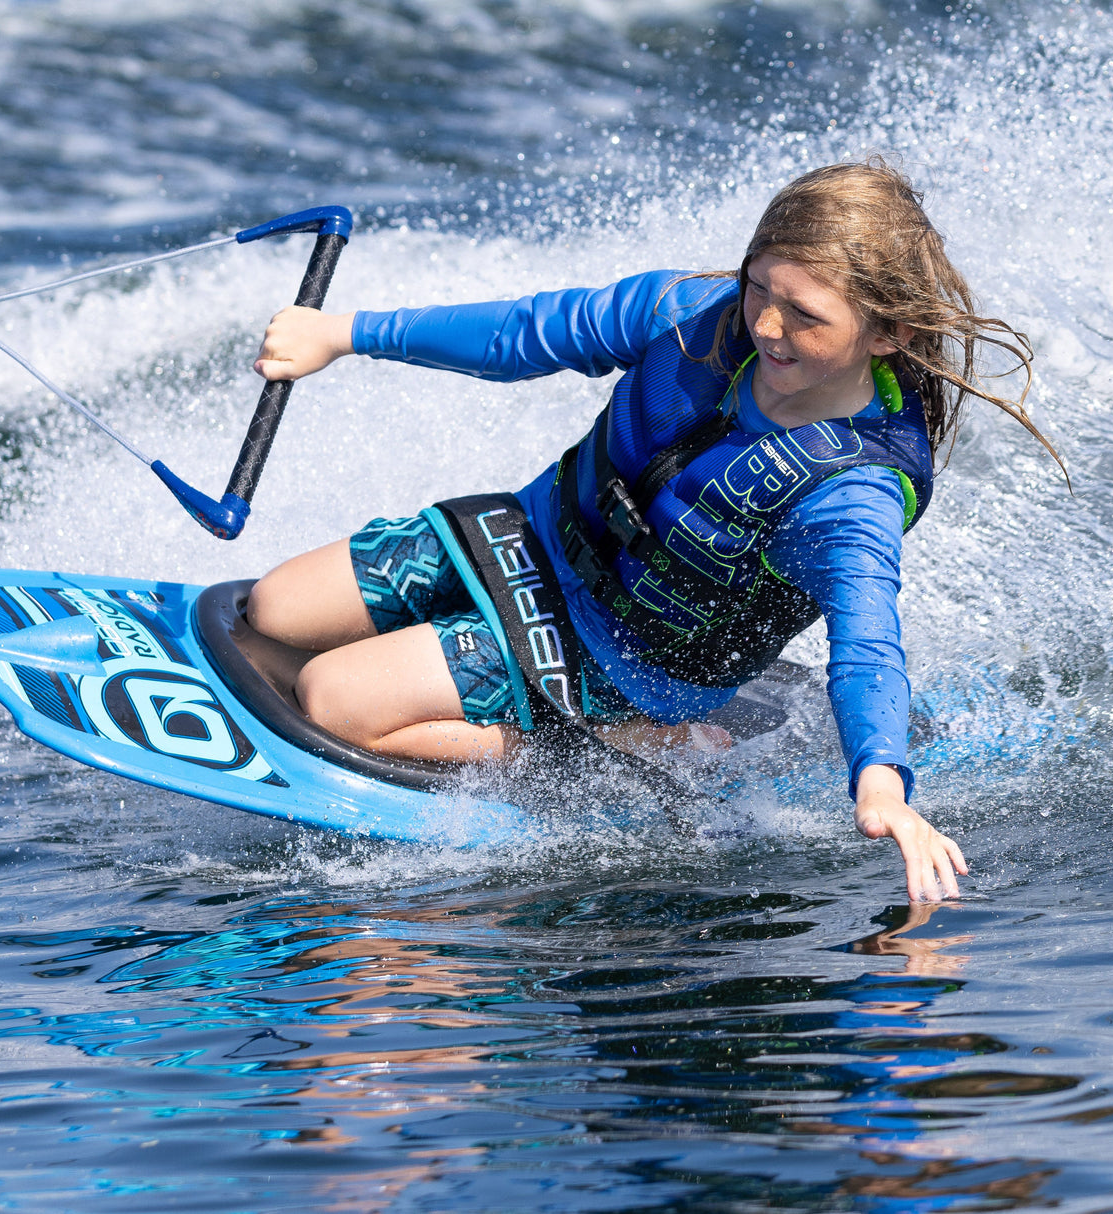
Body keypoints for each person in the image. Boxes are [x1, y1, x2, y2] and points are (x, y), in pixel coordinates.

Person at [245, 159, 1062, 903]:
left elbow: (868, 642)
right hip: (530, 536)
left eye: (804, 314)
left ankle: (611, 748)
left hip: (623, 664)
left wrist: (881, 784)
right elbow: (525, 333)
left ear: (888, 334)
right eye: (760, 288)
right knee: (275, 612)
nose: (768, 327)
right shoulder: (690, 316)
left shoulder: (852, 494)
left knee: (331, 698)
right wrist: (345, 334)